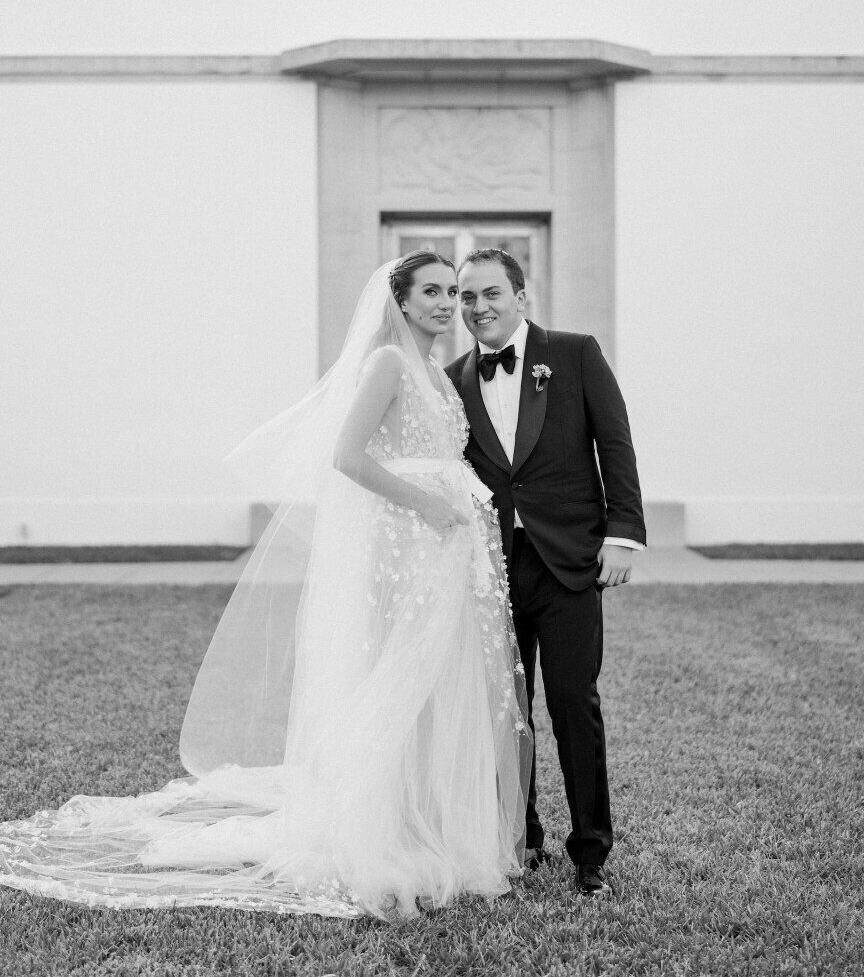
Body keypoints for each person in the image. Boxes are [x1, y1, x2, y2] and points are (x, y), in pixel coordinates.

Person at [0, 252, 530, 920]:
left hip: (443, 557)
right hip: (403, 549)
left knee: (431, 694)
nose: (446, 304)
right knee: (395, 684)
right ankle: (379, 832)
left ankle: (429, 822)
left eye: (451, 292)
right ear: (399, 300)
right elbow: (348, 456)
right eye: (431, 292)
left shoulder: (439, 373)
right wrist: (425, 504)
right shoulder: (388, 364)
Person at [446, 248, 646, 898]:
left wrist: (622, 535)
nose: (478, 308)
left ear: (521, 296)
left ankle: (590, 853)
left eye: (491, 294)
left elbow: (615, 445)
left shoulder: (576, 353)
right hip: (491, 568)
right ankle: (521, 838)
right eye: (466, 297)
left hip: (568, 563)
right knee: (507, 714)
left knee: (572, 706)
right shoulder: (454, 379)